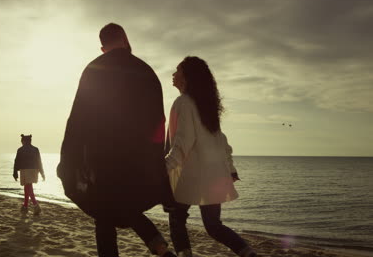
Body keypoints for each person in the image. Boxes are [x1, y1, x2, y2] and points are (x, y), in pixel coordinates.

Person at [58, 23, 176, 257]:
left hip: (101, 157)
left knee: (105, 212)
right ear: (124, 38)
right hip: (137, 158)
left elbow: (78, 116)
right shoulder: (146, 71)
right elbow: (158, 122)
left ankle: (160, 248)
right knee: (121, 207)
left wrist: (69, 158)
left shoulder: (94, 68)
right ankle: (161, 249)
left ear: (103, 48)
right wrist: (155, 160)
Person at [165, 57, 257, 257]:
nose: (173, 74)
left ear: (187, 77)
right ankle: (249, 253)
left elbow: (182, 143)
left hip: (191, 175)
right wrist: (231, 169)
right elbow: (222, 142)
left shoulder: (184, 103)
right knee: (214, 226)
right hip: (213, 175)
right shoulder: (205, 106)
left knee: (176, 217)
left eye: (177, 70)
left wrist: (163, 169)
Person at [13, 134, 45, 216]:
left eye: (22, 141)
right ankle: (25, 206)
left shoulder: (20, 150)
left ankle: (35, 205)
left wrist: (15, 172)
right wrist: (42, 173)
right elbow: (39, 161)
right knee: (28, 186)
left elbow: (16, 161)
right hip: (34, 170)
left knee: (28, 186)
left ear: (23, 141)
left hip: (24, 170)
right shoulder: (35, 149)